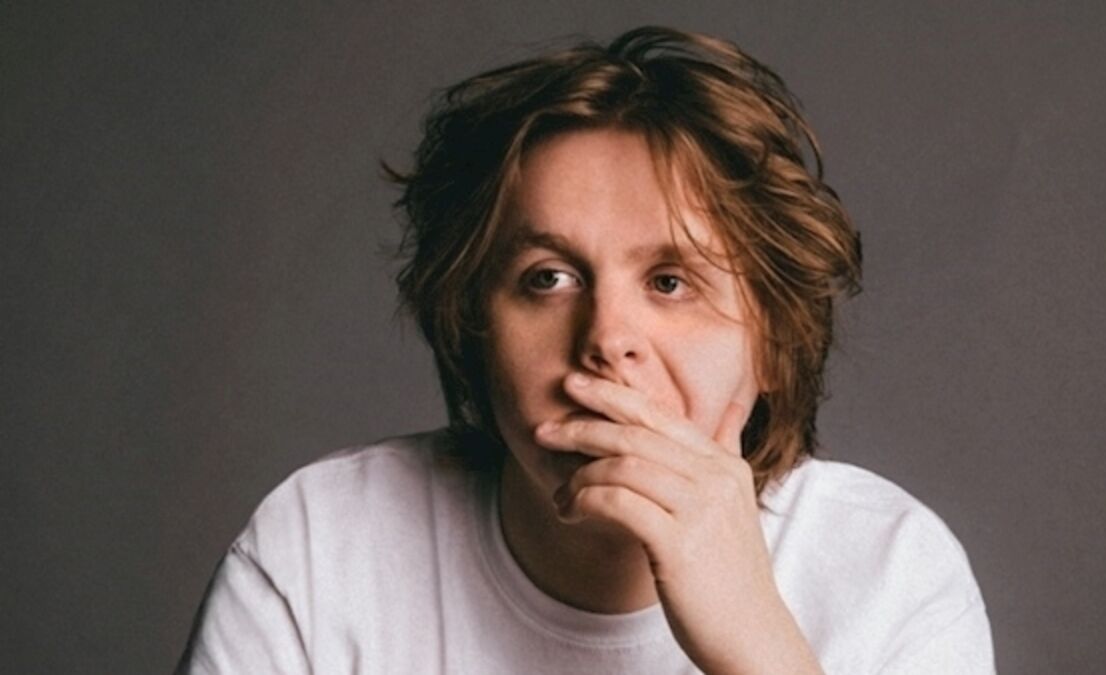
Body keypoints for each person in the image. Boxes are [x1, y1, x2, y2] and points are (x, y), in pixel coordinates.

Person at [177, 26, 994, 674]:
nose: (607, 339)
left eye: (671, 282)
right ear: (472, 330)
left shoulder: (890, 572)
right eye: (548, 278)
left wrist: (756, 643)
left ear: (774, 345)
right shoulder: (317, 551)